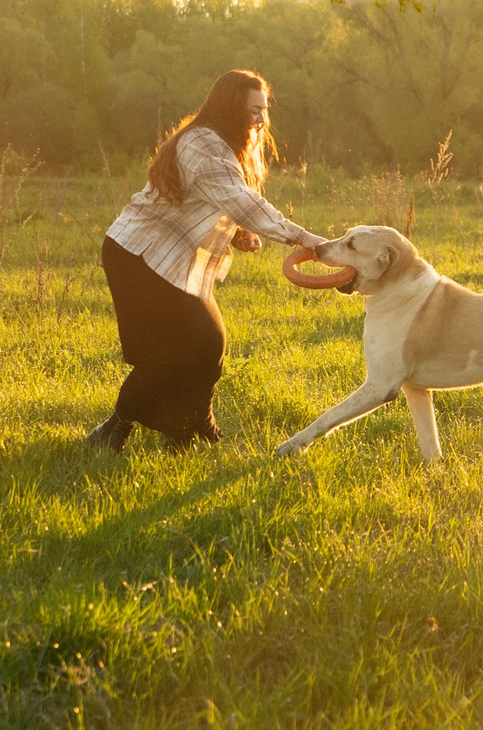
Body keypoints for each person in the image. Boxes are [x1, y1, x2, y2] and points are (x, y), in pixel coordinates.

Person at [89, 69, 327, 452]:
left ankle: (184, 430)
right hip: (139, 253)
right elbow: (240, 201)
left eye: (264, 110)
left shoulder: (229, 144)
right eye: (254, 111)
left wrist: (236, 231)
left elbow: (211, 199)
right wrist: (305, 239)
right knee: (184, 345)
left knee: (206, 342)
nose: (262, 120)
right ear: (230, 108)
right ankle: (115, 429)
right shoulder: (202, 144)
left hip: (169, 254)